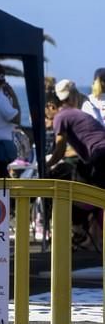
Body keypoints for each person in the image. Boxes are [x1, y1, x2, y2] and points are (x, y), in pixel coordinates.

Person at [46, 80, 105, 251]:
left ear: (51, 105)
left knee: (84, 197)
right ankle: (92, 238)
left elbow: (59, 149)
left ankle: (82, 233)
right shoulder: (76, 113)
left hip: (100, 155)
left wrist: (45, 167)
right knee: (95, 197)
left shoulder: (60, 117)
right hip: (97, 155)